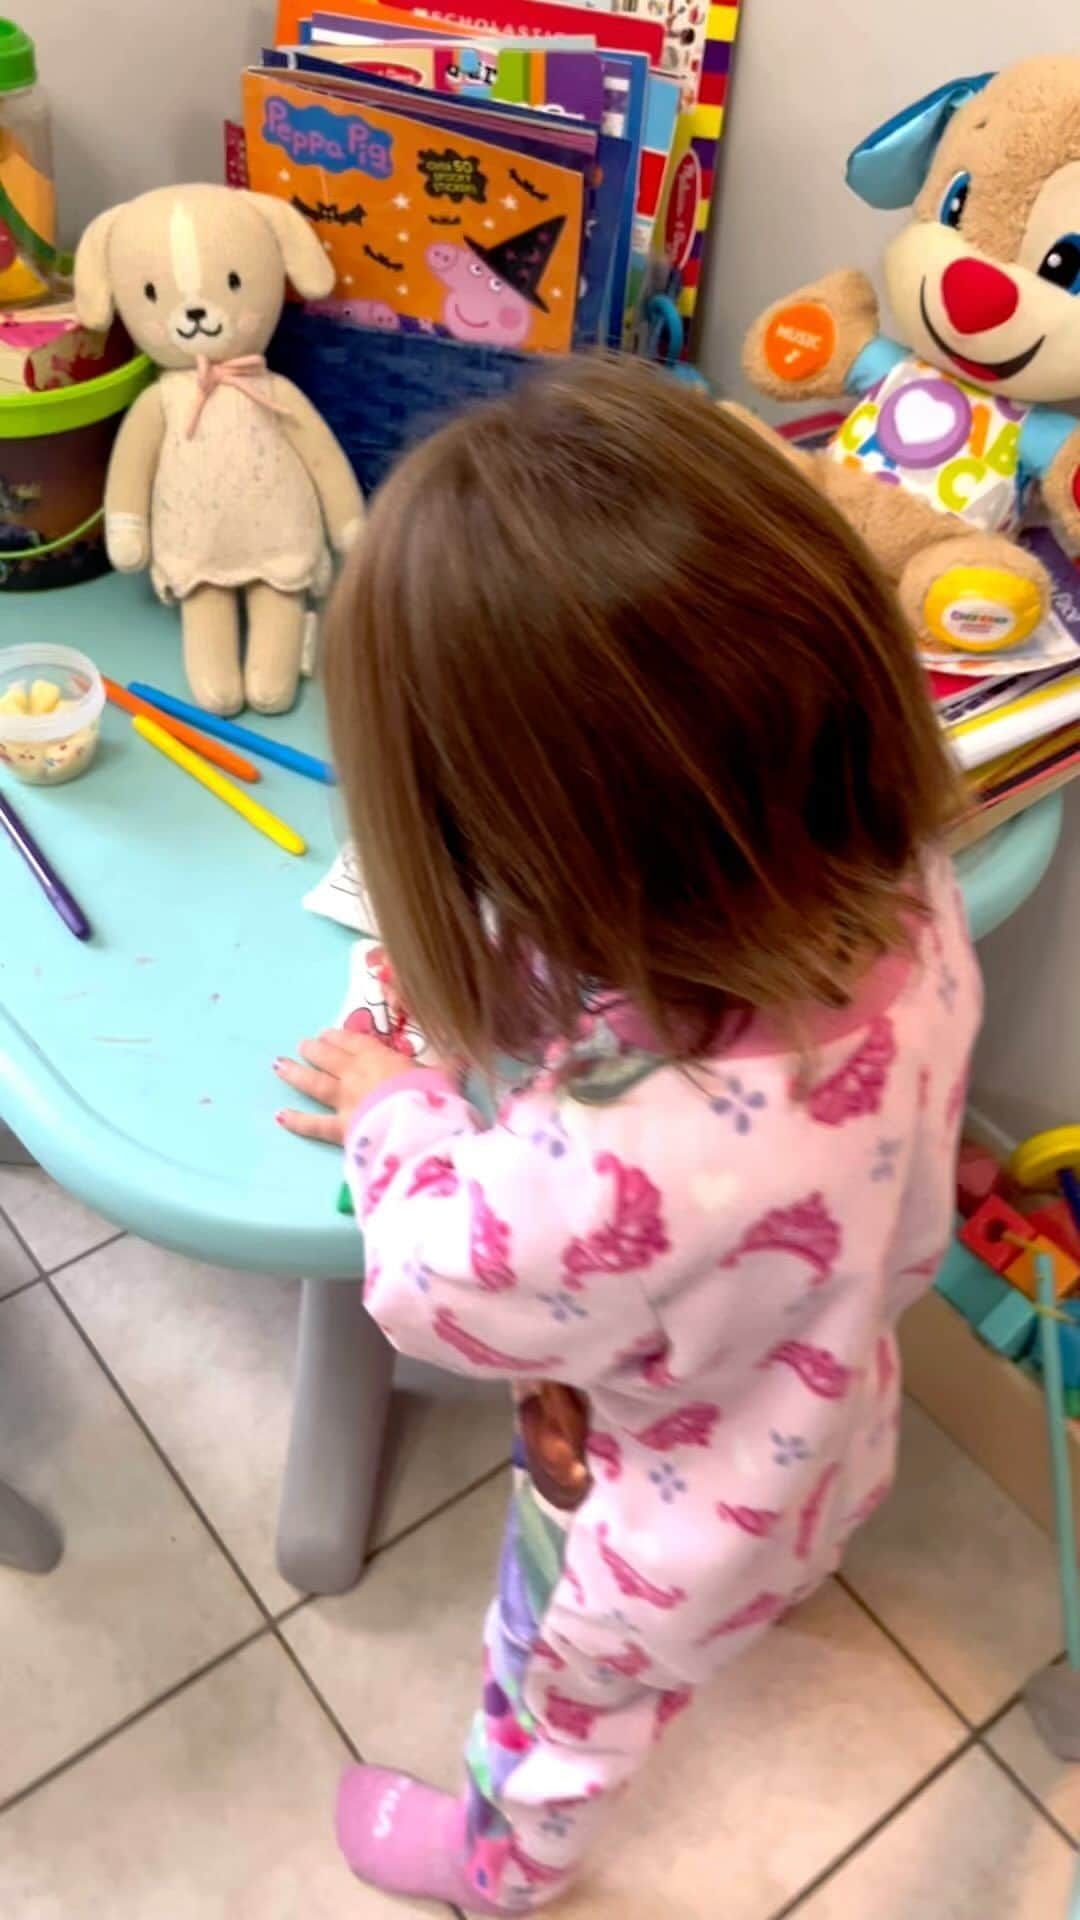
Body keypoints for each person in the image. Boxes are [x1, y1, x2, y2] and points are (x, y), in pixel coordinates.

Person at [274, 356, 981, 1914]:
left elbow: (433, 1289)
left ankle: (497, 1865)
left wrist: (395, 1105)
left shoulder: (619, 1163)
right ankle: (778, 1593)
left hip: (647, 1527)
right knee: (773, 1554)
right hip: (829, 1424)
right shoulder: (911, 895)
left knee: (558, 1707)